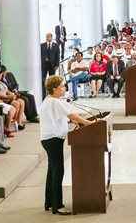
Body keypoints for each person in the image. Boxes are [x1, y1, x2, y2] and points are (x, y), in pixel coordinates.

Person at [39, 75, 93, 215]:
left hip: (49, 139)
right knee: (58, 171)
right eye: (62, 86)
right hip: (53, 139)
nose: (64, 88)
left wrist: (71, 122)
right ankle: (58, 206)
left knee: (52, 170)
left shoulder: (50, 101)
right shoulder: (55, 102)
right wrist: (89, 123)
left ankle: (49, 202)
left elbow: (59, 118)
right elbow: (72, 115)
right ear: (55, 89)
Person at [40, 33, 61, 97]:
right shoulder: (42, 45)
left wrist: (57, 65)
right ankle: (44, 95)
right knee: (43, 80)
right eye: (46, 36)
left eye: (49, 36)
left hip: (52, 66)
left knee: (52, 81)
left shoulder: (56, 45)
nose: (47, 38)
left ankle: (52, 94)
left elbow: (58, 56)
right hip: (44, 66)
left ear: (51, 37)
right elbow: (39, 55)